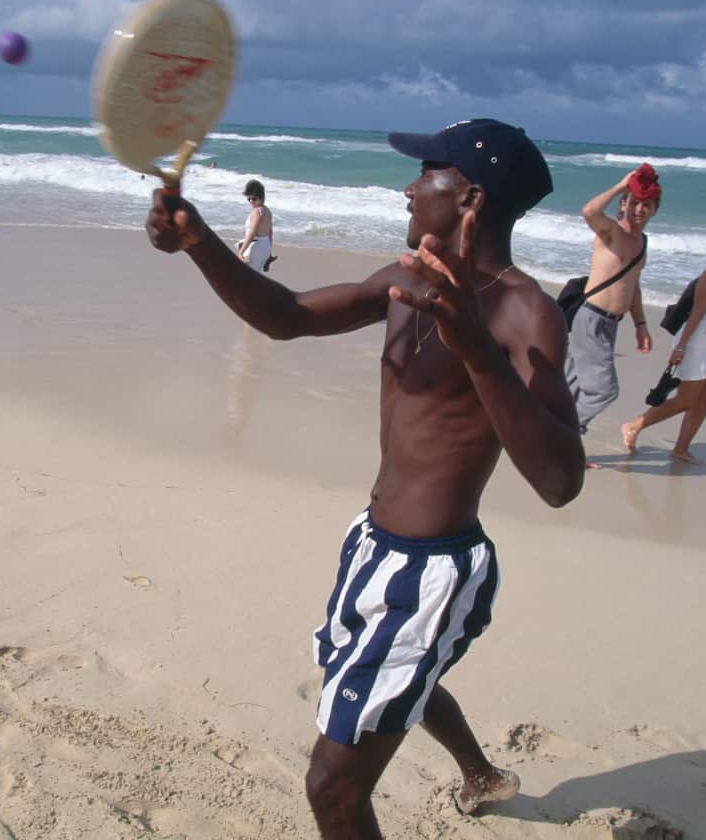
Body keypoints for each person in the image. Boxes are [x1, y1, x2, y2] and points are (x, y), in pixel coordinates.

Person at [146, 118, 585, 837]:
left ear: (469, 196)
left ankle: (476, 771)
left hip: (433, 568)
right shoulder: (404, 279)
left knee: (331, 788)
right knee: (390, 673)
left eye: (426, 175)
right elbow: (285, 317)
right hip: (373, 543)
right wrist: (199, 242)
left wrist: (476, 347)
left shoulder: (524, 311)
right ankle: (481, 775)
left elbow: (561, 479)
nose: (408, 188)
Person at [622, 218, 706, 465]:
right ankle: (634, 425)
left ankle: (681, 449)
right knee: (686, 400)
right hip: (695, 341)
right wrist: (681, 346)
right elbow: (698, 311)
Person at [564, 164, 660, 464]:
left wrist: (641, 324)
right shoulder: (612, 232)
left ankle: (561, 446)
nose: (639, 209)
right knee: (604, 390)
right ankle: (561, 436)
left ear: (655, 209)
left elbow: (633, 285)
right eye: (634, 202)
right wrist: (622, 184)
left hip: (610, 325)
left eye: (647, 205)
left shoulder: (641, 244)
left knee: (572, 387)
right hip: (591, 319)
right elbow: (590, 211)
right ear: (623, 204)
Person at [235, 179, 274, 272]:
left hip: (256, 247)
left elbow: (252, 233)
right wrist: (269, 251)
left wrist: (241, 252)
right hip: (265, 246)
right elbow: (270, 232)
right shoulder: (267, 211)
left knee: (246, 277)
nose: (251, 201)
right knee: (257, 276)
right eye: (249, 199)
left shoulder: (257, 212)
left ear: (262, 197)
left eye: (254, 198)